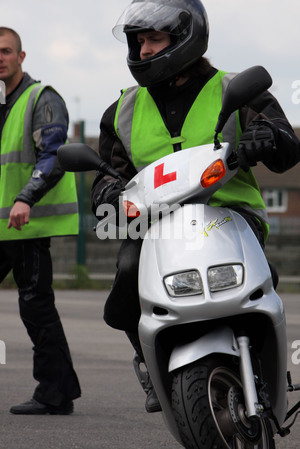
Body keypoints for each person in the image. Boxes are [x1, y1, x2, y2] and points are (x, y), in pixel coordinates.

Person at [90, 0, 300, 412]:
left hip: (231, 216)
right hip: (157, 226)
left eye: (154, 39)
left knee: (258, 280)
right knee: (128, 275)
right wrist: (108, 196)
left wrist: (267, 137)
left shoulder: (234, 88)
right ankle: (149, 360)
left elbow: (286, 143)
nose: (144, 50)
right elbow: (107, 176)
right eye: (138, 42)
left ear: (185, 38)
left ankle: (265, 360)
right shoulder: (121, 112)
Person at [0, 27, 81, 414]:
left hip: (27, 224)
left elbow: (53, 155)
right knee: (36, 305)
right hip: (4, 225)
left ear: (21, 56)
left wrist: (25, 197)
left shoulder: (40, 98)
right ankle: (58, 389)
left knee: (35, 304)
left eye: (6, 51)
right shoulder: (2, 104)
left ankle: (55, 392)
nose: (0, 58)